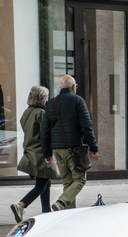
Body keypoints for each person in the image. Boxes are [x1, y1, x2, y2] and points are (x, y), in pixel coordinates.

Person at [41, 75, 99, 210]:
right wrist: (93, 146)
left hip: (56, 149)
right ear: (73, 87)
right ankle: (62, 202)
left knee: (68, 182)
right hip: (74, 149)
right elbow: (86, 126)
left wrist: (47, 153)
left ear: (60, 87)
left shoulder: (51, 103)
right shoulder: (78, 101)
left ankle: (68, 213)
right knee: (80, 180)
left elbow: (45, 130)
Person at [10, 86, 59, 223]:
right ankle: (21, 205)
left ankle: (46, 211)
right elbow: (46, 134)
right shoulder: (41, 113)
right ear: (41, 98)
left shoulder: (27, 112)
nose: (47, 99)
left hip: (31, 151)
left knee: (45, 180)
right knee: (41, 185)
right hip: (41, 152)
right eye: (46, 97)